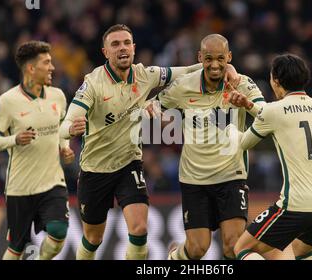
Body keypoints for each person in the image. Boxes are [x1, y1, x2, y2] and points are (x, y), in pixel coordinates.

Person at [58, 24, 238, 260]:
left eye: (126, 43)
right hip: (95, 170)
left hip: (129, 164)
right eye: (115, 44)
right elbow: (67, 120)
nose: (122, 48)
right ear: (105, 52)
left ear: (133, 48)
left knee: (140, 229)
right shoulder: (93, 84)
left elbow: (187, 70)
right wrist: (68, 132)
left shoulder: (145, 74)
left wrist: (228, 66)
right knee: (93, 239)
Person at [157, 34, 265, 260]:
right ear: (199, 57)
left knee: (233, 246)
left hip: (231, 175)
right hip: (194, 179)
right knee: (197, 249)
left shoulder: (242, 84)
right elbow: (157, 104)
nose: (214, 65)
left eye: (220, 58)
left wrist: (246, 104)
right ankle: (174, 258)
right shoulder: (184, 86)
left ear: (229, 57)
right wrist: (154, 113)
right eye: (208, 58)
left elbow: (266, 114)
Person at [229, 53, 312, 260]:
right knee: (303, 250)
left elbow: (244, 143)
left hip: (296, 203)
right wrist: (250, 106)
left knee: (243, 248)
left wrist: (228, 126)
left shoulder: (274, 110)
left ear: (276, 81)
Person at [0, 41, 74, 260]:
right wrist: (15, 139)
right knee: (17, 248)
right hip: (20, 188)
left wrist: (65, 147)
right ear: (31, 69)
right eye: (47, 63)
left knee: (59, 232)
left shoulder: (58, 96)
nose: (52, 67)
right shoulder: (8, 101)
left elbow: (61, 129)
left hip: (52, 182)